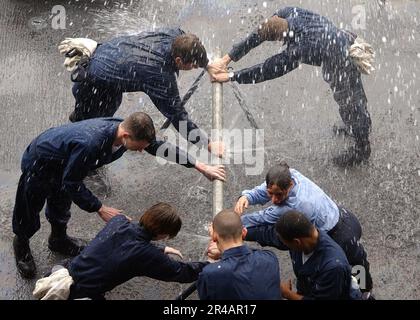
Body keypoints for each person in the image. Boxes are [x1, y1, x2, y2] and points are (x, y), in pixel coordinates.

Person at [12, 112, 225, 279]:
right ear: (126, 136)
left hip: (66, 162)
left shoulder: (125, 130)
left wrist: (198, 165)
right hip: (40, 163)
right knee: (29, 208)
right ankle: (21, 244)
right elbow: (72, 182)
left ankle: (58, 239)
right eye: (139, 147)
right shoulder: (91, 144)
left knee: (61, 204)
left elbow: (158, 148)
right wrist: (99, 208)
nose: (142, 151)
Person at [208, 6, 373, 166]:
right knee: (347, 100)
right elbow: (256, 36)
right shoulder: (287, 12)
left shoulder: (301, 47)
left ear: (279, 39)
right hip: (339, 38)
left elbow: (267, 70)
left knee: (351, 101)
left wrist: (233, 76)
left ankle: (362, 148)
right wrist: (226, 59)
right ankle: (354, 125)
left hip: (341, 59)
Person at [67, 28, 222, 156]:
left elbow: (195, 49)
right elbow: (177, 116)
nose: (194, 69)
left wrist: (208, 66)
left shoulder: (176, 35)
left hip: (110, 60)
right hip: (93, 83)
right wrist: (207, 144)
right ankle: (76, 158)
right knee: (90, 133)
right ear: (179, 61)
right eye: (193, 66)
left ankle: (81, 117)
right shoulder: (158, 74)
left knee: (105, 113)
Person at [234, 161, 373, 294]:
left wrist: (232, 226)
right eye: (271, 193)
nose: (274, 200)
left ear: (290, 185)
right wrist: (247, 197)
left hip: (339, 235)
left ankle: (364, 293)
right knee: (357, 263)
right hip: (340, 216)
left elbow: (260, 218)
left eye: (279, 195)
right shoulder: (290, 174)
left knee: (352, 268)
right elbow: (267, 188)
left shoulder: (298, 204)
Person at [33, 203, 209, 300]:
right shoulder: (147, 256)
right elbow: (181, 272)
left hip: (60, 272)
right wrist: (212, 265)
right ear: (163, 234)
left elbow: (127, 242)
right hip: (78, 293)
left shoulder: (118, 222)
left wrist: (161, 248)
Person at [275, 210, 362, 300]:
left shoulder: (333, 267)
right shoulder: (304, 238)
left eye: (287, 244)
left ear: (297, 242)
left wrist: (287, 294)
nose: (287, 247)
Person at [197, 209, 281, 300]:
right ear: (244, 232)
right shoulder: (270, 258)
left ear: (214, 236)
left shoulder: (209, 274)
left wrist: (224, 254)